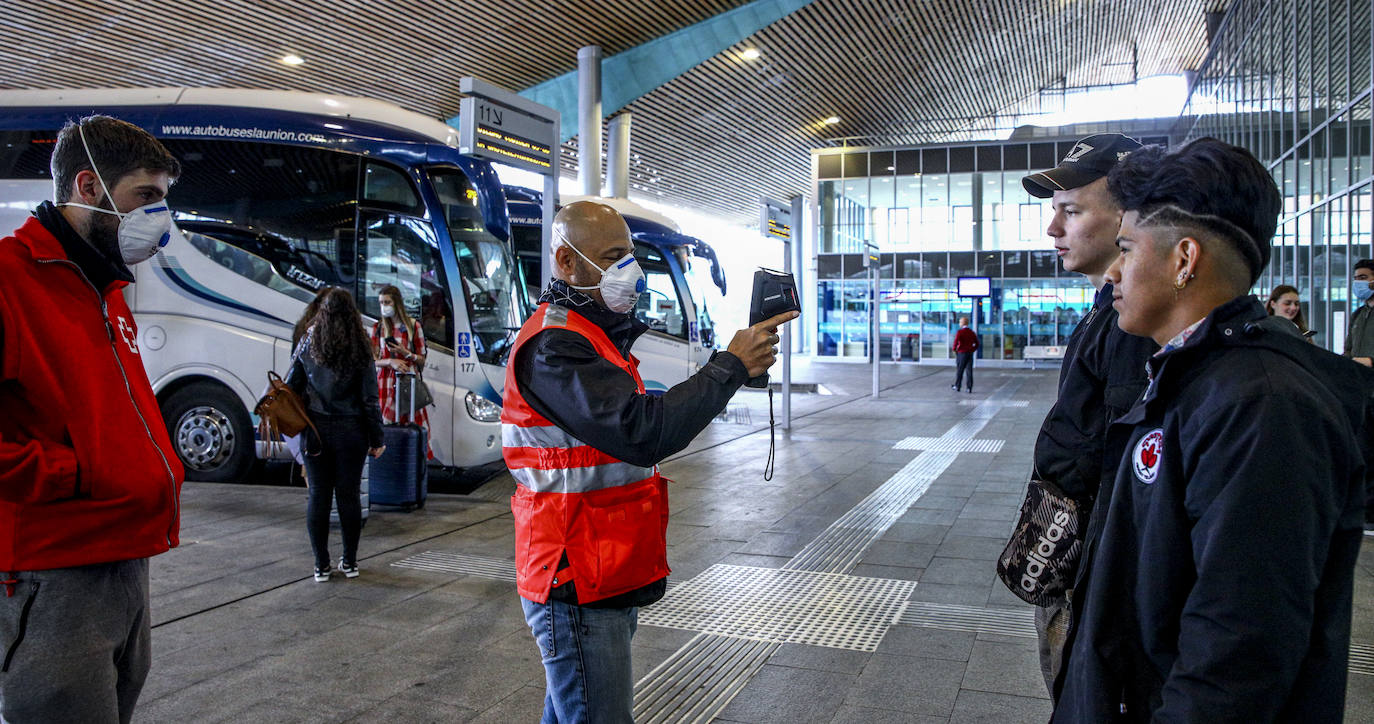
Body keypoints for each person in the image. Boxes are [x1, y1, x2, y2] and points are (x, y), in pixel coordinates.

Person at [1052, 138, 1369, 722]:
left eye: (1127, 248)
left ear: (1184, 260)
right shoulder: (1189, 377)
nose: (1115, 270)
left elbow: (1236, 650)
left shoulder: (1263, 408)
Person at [503, 200, 795, 723]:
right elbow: (642, 430)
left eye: (630, 255)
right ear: (566, 263)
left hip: (602, 562)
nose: (629, 270)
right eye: (613, 256)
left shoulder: (592, 334)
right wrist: (729, 366)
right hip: (572, 572)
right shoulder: (554, 346)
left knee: (576, 710)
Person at [0, 115, 185, 722]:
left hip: (124, 559)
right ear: (88, 186)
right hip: (53, 574)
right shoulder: (11, 279)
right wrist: (68, 476)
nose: (161, 217)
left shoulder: (102, 287)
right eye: (147, 197)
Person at [1020, 132, 1159, 697]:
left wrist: (1098, 587)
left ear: (1130, 217)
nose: (1053, 229)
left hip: (1099, 578)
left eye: (1071, 211)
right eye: (1054, 211)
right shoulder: (1109, 308)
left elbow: (1128, 467)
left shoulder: (1135, 327)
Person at [287, 287, 386, 582]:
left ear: (323, 312)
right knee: (348, 496)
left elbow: (291, 386)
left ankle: (321, 565)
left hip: (315, 431)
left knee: (318, 497)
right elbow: (370, 398)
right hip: (351, 431)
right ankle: (350, 562)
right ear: (352, 315)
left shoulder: (308, 342)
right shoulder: (360, 346)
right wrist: (377, 438)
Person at [370, 284, 432, 458]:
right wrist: (390, 361)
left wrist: (406, 354)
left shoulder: (413, 326)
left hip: (407, 384)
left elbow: (422, 359)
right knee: (385, 428)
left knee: (410, 425)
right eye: (381, 302)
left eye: (387, 302)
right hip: (384, 383)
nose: (384, 306)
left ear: (397, 303)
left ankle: (410, 463)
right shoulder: (379, 328)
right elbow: (372, 360)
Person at [1346, 259, 1374, 366]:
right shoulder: (1357, 314)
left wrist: (1371, 362)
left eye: (1363, 278)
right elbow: (1348, 349)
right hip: (1357, 378)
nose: (1358, 283)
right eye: (1356, 279)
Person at [951, 316, 978, 392]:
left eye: (960, 322)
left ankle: (957, 386)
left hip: (961, 353)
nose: (959, 323)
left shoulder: (960, 332)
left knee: (960, 370)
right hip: (969, 354)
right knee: (969, 371)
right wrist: (972, 349)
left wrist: (954, 350)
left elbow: (956, 342)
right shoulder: (971, 332)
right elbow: (977, 343)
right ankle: (969, 388)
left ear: (963, 323)